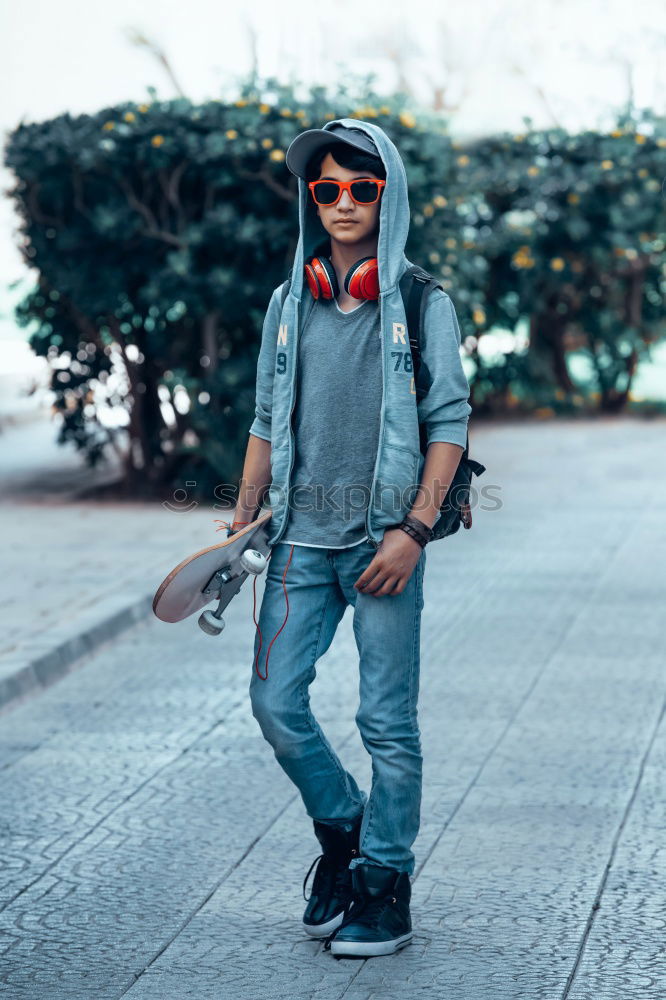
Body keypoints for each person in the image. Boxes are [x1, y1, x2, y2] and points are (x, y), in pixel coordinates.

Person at [228, 118, 472, 958]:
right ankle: (345, 835)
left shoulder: (419, 301)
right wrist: (242, 519)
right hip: (297, 541)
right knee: (274, 703)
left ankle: (384, 883)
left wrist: (414, 530)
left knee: (387, 725)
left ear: (388, 195)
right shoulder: (288, 303)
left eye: (359, 189)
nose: (339, 202)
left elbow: (449, 423)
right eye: (324, 188)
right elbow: (266, 416)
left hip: (382, 543)